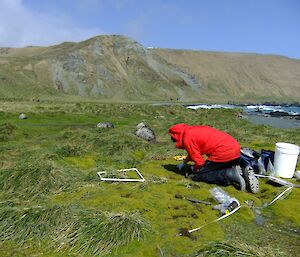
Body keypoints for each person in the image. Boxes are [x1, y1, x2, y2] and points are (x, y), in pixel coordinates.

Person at [169, 123, 259, 193]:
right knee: (218, 165)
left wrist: (197, 171)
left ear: (176, 137)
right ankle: (243, 169)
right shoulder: (191, 131)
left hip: (223, 152)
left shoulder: (187, 139)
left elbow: (199, 161)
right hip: (235, 149)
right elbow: (195, 152)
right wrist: (184, 162)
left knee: (200, 175)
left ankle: (230, 174)